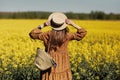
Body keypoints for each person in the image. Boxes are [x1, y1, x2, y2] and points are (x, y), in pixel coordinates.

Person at [29, 12, 87, 80]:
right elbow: (83, 33)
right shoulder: (67, 35)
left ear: (52, 24)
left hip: (49, 62)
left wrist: (43, 25)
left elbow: (32, 34)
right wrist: (72, 24)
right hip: (63, 62)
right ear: (63, 25)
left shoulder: (47, 35)